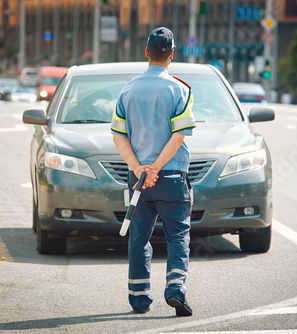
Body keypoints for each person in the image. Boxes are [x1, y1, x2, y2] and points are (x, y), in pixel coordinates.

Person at [111, 27, 196, 317]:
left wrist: (140, 169)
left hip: (139, 181)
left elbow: (118, 137)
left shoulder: (127, 90)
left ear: (146, 52)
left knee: (138, 238)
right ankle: (175, 289)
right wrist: (157, 168)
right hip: (171, 179)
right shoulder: (180, 90)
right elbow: (179, 136)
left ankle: (139, 299)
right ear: (171, 55)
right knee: (177, 236)